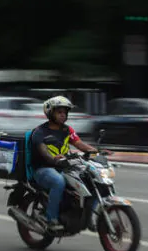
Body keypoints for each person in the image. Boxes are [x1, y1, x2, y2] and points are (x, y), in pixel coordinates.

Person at [30, 95, 106, 233]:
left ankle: (88, 217)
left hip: (65, 166)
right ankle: (51, 219)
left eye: (65, 112)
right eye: (59, 112)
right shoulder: (39, 132)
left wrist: (97, 151)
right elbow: (43, 151)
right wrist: (54, 159)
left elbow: (79, 144)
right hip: (44, 168)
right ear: (50, 113)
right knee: (58, 182)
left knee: (93, 179)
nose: (63, 115)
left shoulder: (67, 130)